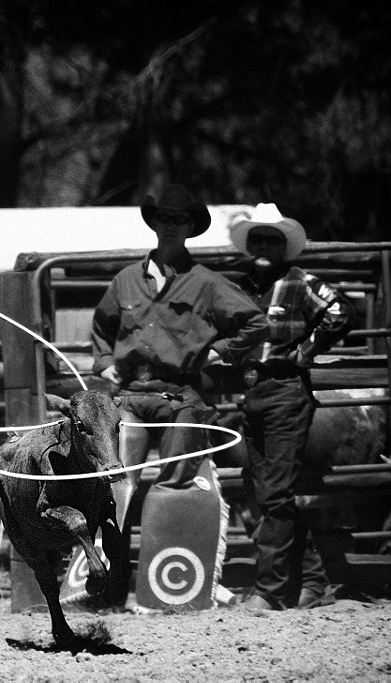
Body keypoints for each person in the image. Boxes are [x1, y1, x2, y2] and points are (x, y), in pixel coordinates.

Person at [91, 184, 269, 603]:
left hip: (180, 393)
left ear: (190, 227)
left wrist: (218, 352)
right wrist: (104, 362)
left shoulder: (206, 283)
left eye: (180, 220)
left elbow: (255, 323)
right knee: (116, 483)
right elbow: (101, 327)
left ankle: (167, 591)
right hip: (131, 394)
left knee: (175, 483)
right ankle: (109, 587)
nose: (170, 226)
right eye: (164, 218)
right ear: (154, 223)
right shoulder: (125, 281)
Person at [230, 203, 354, 610]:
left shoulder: (300, 281)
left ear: (284, 247)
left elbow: (340, 310)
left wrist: (307, 350)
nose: (265, 245)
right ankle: (313, 582)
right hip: (254, 392)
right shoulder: (242, 286)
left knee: (275, 491)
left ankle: (270, 589)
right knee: (265, 489)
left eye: (273, 239)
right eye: (258, 239)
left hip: (285, 389)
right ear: (250, 245)